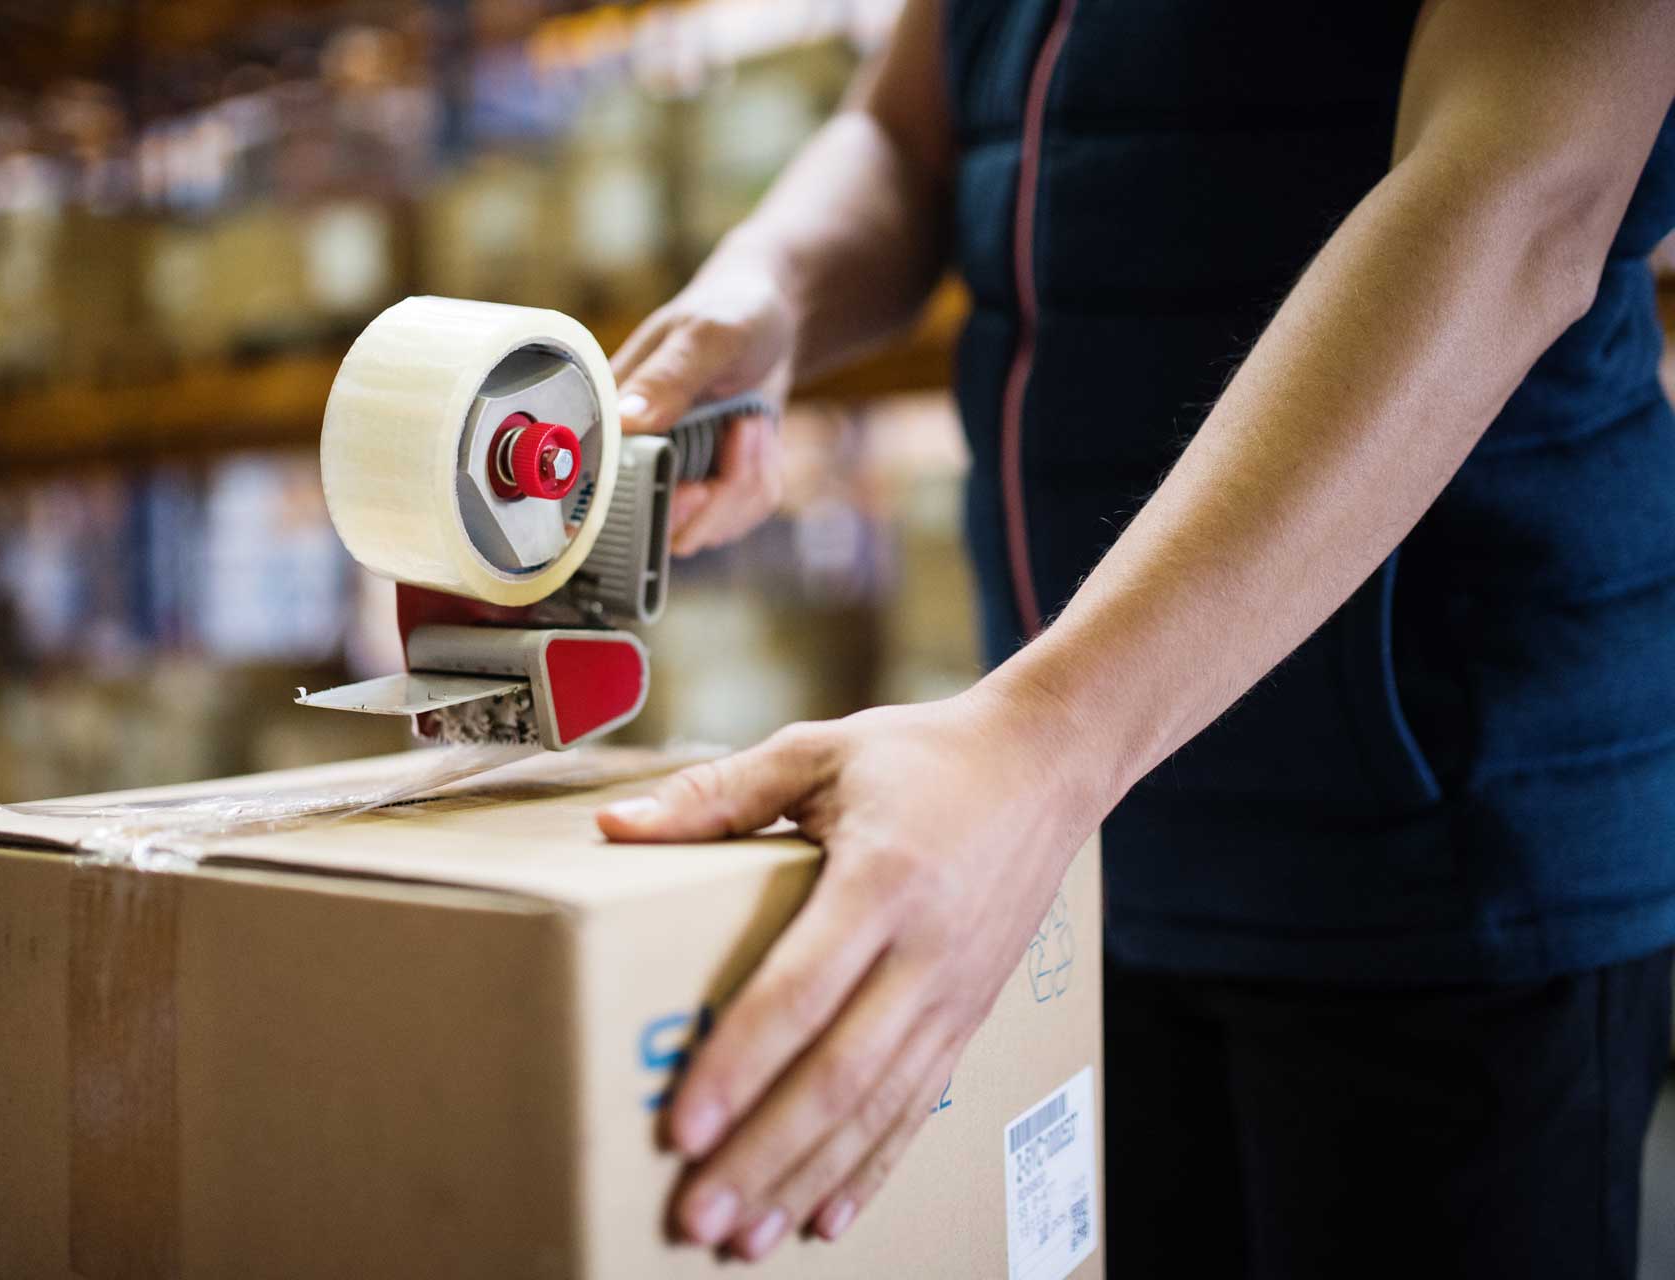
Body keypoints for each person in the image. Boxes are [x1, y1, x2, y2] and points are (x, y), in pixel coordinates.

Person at [589, 0, 1675, 1274]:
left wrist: (1045, 741)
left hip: (1437, 860)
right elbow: (902, 137)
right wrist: (766, 281)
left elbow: (1519, 201)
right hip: (1097, 852)